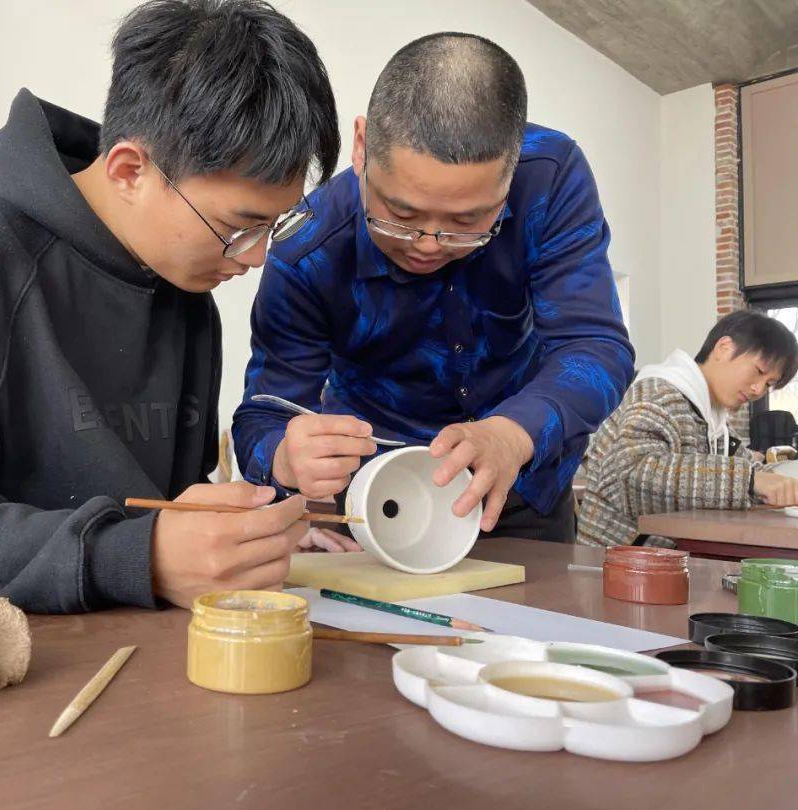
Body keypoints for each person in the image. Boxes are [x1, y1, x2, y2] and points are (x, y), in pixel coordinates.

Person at [0, 0, 341, 613]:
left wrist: (236, 534)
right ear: (129, 170)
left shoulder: (187, 290)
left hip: (140, 656)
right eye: (237, 227)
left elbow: (164, 513)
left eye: (274, 229)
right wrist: (133, 556)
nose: (253, 260)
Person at [233, 33, 634, 543]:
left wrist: (513, 433)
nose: (428, 244)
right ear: (361, 148)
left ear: (511, 176)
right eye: (400, 214)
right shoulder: (309, 250)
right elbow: (263, 415)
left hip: (521, 489)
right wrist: (285, 457)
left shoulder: (550, 179)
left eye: (468, 222)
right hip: (378, 506)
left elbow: (595, 347)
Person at [578, 310, 798, 547]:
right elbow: (633, 475)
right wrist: (750, 481)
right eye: (759, 372)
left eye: (768, 385)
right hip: (613, 568)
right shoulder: (658, 394)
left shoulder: (713, 420)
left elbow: (749, 467)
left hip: (664, 565)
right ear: (724, 348)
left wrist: (781, 479)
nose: (758, 390)